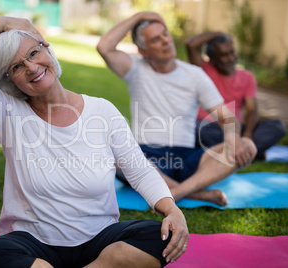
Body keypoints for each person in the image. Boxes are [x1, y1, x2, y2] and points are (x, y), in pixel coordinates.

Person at [0, 16, 189, 267]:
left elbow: (139, 170)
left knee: (160, 237)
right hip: (34, 243)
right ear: (9, 79)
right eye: (17, 67)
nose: (32, 68)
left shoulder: (102, 111)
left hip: (100, 238)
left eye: (33, 54)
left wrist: (172, 210)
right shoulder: (5, 110)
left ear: (47, 49)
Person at [97, 11, 257, 207]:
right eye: (155, 39)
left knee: (247, 144)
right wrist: (140, 16)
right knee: (110, 149)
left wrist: (234, 142)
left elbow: (227, 117)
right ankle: (196, 194)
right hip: (144, 158)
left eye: (165, 34)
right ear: (143, 51)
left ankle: (177, 192)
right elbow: (104, 47)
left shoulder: (195, 74)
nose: (165, 41)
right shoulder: (135, 68)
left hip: (185, 160)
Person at [185, 32, 285, 160]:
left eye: (232, 52)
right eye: (224, 55)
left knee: (276, 126)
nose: (231, 58)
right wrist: (219, 33)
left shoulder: (247, 77)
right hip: (211, 128)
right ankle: (249, 152)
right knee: (200, 131)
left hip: (237, 131)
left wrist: (247, 135)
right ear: (212, 59)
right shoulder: (203, 70)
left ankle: (238, 151)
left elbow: (252, 109)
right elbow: (191, 44)